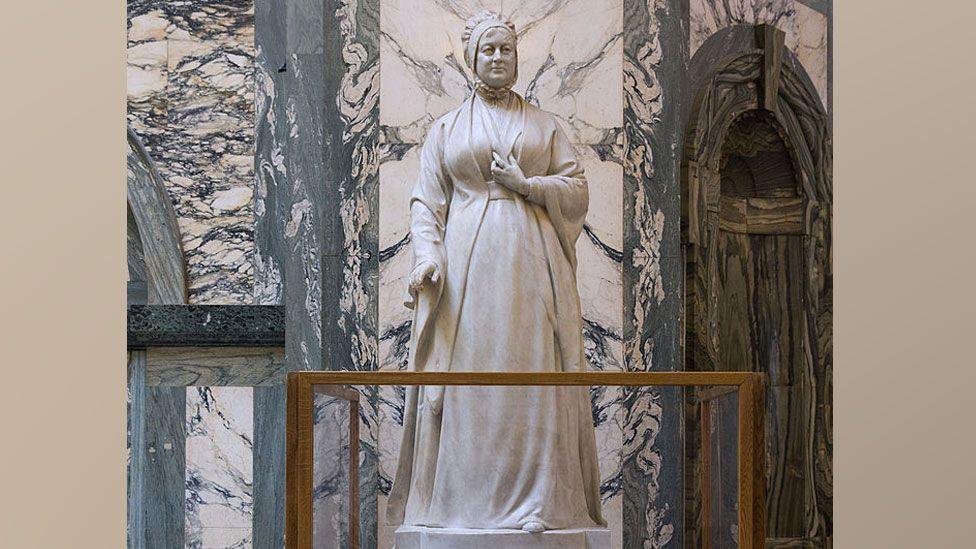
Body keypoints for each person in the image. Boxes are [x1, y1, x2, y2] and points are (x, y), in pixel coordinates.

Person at [387, 11, 606, 534]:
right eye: (488, 50)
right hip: (467, 268)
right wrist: (428, 259)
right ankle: (465, 503)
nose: (498, 58)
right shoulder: (446, 128)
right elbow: (426, 203)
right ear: (471, 59)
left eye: (506, 49)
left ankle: (541, 500)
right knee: (472, 379)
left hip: (534, 266)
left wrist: (528, 184)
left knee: (532, 374)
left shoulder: (545, 125)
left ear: (516, 57)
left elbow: (576, 190)